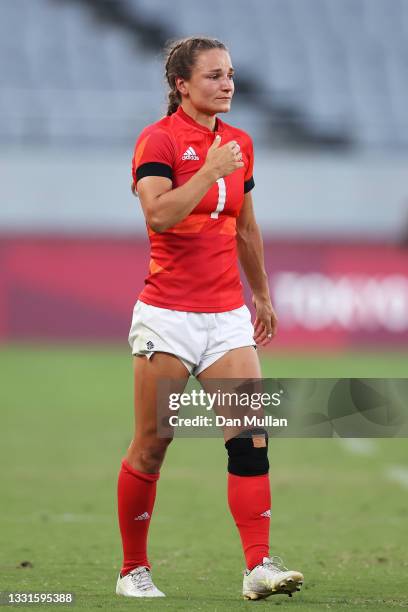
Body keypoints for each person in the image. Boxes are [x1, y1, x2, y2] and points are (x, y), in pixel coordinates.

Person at [116, 36, 304, 601]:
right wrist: (207, 171)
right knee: (153, 445)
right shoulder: (159, 140)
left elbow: (245, 225)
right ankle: (132, 571)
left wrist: (262, 295)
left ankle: (258, 566)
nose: (228, 84)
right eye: (215, 76)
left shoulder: (239, 142)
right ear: (182, 84)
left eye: (231, 75)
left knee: (251, 436)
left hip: (225, 317)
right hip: (167, 316)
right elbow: (159, 213)